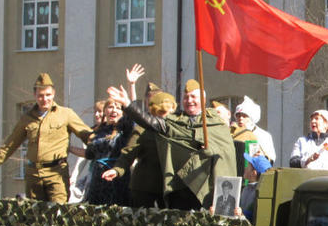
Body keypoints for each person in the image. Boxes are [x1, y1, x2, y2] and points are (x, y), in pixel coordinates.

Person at [108, 79, 236, 210]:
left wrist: (210, 150)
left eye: (193, 97)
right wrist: (128, 104)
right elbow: (149, 122)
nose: (189, 100)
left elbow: (227, 154)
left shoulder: (216, 123)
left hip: (206, 188)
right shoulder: (174, 121)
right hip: (180, 188)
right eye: (186, 97)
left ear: (203, 99)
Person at [0, 73, 92, 203]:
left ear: (53, 93)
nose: (44, 99)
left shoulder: (66, 114)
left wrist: (103, 144)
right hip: (33, 175)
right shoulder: (27, 118)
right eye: (40, 95)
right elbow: (10, 145)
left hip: (56, 174)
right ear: (34, 96)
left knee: (59, 214)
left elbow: (86, 134)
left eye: (48, 95)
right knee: (35, 216)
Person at [103, 86, 173, 209]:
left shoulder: (177, 125)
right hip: (145, 187)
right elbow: (129, 152)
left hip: (171, 187)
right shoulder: (142, 128)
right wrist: (117, 170)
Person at [76, 98, 134, 206]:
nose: (114, 110)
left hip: (117, 176)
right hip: (97, 177)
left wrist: (131, 86)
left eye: (118, 108)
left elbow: (134, 115)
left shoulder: (125, 129)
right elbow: (89, 154)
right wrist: (68, 148)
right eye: (110, 107)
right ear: (105, 110)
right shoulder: (99, 131)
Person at [68, 100, 105, 203]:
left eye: (100, 111)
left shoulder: (116, 131)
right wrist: (74, 176)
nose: (97, 115)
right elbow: (84, 156)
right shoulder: (92, 133)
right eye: (95, 111)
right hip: (93, 173)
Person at [233, 96, 276, 164]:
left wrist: (263, 157)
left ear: (251, 118)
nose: (240, 118)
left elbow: (271, 159)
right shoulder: (232, 133)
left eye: (244, 116)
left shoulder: (264, 135)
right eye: (238, 116)